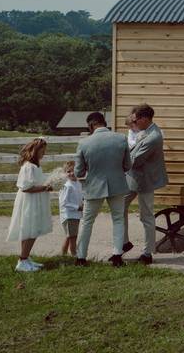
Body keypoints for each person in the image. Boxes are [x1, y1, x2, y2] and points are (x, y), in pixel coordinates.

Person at [75, 111, 132, 267]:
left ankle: (81, 257)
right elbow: (128, 165)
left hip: (94, 186)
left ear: (91, 124)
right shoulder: (121, 138)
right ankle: (117, 256)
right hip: (117, 185)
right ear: (103, 122)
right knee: (118, 220)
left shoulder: (84, 143)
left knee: (87, 222)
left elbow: (78, 172)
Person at [123, 103, 169, 265]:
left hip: (145, 180)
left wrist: (118, 159)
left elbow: (134, 160)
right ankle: (124, 243)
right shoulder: (145, 131)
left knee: (147, 216)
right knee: (120, 206)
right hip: (134, 179)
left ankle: (148, 253)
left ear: (144, 119)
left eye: (136, 119)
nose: (134, 122)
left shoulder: (153, 137)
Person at [6, 138, 54, 272]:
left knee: (29, 229)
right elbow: (26, 188)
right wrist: (44, 187)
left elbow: (37, 182)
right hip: (29, 201)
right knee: (31, 230)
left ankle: (25, 258)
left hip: (35, 200)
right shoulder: (28, 167)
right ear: (35, 150)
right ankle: (22, 260)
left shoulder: (36, 165)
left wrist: (46, 186)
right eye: (42, 150)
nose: (44, 152)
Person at [59, 160, 83, 257]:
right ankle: (74, 254)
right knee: (73, 237)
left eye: (74, 170)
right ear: (65, 173)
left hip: (75, 215)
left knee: (69, 236)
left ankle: (63, 254)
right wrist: (77, 207)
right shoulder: (67, 186)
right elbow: (64, 202)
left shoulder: (78, 183)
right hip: (69, 216)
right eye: (68, 171)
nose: (71, 173)